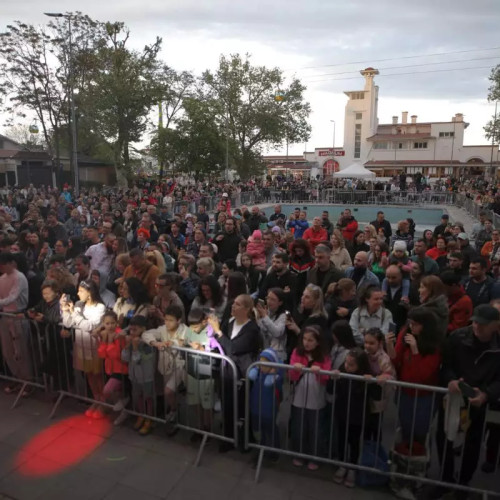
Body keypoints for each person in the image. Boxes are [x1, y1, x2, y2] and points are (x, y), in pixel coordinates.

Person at [436, 304, 500, 495]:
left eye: (482, 324)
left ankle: (463, 483)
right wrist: (451, 380)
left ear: (495, 325)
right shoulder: (457, 337)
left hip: (479, 400)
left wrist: (486, 394)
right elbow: (445, 365)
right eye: (475, 323)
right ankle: (445, 479)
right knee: (444, 436)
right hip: (454, 398)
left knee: (473, 443)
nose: (477, 327)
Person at [385, 307, 442, 454]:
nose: (412, 327)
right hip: (405, 392)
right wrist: (389, 345)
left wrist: (415, 350)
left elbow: (422, 375)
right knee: (405, 429)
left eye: (416, 324)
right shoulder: (406, 334)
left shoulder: (434, 347)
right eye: (410, 323)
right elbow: (395, 359)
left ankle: (419, 463)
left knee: (421, 432)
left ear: (426, 325)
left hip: (424, 396)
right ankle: (404, 460)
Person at [209, 295, 262, 451]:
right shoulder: (230, 322)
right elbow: (222, 343)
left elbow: (232, 347)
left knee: (242, 407)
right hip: (227, 371)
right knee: (227, 406)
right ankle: (228, 438)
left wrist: (218, 332)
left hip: (241, 374)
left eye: (237, 304)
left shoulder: (252, 329)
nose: (233, 306)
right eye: (233, 303)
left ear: (246, 310)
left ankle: (245, 440)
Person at [61, 280, 106, 418]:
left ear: (90, 292)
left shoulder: (100, 307)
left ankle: (103, 403)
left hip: (94, 346)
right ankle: (96, 399)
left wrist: (74, 313)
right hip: (80, 345)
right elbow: (68, 323)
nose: (78, 293)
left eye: (81, 291)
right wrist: (65, 310)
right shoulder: (79, 305)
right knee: (89, 374)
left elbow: (90, 326)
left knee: (98, 375)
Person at [142, 304, 190, 432]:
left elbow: (182, 341)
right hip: (165, 367)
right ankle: (174, 414)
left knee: (168, 390)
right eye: (166, 319)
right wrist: (155, 343)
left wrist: (171, 343)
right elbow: (146, 334)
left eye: (171, 320)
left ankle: (174, 411)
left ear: (179, 320)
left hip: (179, 367)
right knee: (169, 393)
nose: (167, 323)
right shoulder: (162, 329)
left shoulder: (185, 330)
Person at [289, 326, 330, 470]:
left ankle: (315, 457)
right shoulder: (296, 352)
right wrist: (295, 369)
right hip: (299, 397)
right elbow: (291, 376)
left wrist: (319, 372)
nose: (307, 343)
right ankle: (299, 454)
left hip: (316, 399)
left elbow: (326, 378)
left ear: (317, 342)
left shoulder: (324, 356)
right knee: (298, 427)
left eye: (310, 340)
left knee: (315, 429)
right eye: (305, 339)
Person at [332, 347, 374, 487]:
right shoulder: (342, 371)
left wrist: (371, 382)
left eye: (351, 365)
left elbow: (376, 394)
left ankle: (352, 467)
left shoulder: (366, 377)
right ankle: (342, 464)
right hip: (343, 412)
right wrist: (334, 379)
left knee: (354, 442)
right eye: (346, 363)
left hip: (357, 416)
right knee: (342, 440)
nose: (347, 367)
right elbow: (331, 390)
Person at [0, 252, 32, 394]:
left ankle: (28, 381)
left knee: (21, 351)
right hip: (5, 316)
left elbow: (13, 296)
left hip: (17, 316)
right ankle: (18, 378)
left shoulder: (20, 277)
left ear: (10, 263)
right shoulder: (2, 278)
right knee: (8, 352)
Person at [121, 315, 155, 435]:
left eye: (135, 330)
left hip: (146, 376)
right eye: (131, 330)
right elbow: (124, 358)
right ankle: (141, 415)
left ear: (143, 329)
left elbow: (137, 360)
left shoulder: (147, 344)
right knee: (138, 397)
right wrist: (126, 346)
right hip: (134, 375)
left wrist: (135, 348)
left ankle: (149, 419)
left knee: (147, 398)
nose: (132, 332)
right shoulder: (130, 340)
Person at [248, 347, 283, 462]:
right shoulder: (258, 373)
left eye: (265, 363)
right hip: (256, 409)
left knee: (271, 431)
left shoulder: (276, 377)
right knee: (258, 431)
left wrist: (274, 373)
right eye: (260, 362)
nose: (262, 366)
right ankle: (260, 449)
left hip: (269, 411)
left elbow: (274, 382)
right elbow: (250, 375)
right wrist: (257, 368)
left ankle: (274, 451)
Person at [96, 311, 129, 425]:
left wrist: (109, 342)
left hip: (121, 369)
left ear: (117, 324)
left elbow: (117, 355)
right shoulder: (105, 334)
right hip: (110, 368)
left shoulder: (119, 335)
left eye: (112, 323)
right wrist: (105, 341)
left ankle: (124, 406)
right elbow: (102, 354)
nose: (110, 326)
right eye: (107, 323)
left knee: (108, 390)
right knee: (116, 393)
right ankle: (124, 411)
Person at [256, 287, 287, 361]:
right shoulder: (266, 312)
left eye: (273, 300)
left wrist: (265, 317)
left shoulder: (284, 316)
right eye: (268, 298)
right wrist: (261, 318)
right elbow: (262, 330)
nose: (269, 301)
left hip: (277, 355)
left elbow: (277, 333)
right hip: (265, 351)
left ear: (280, 302)